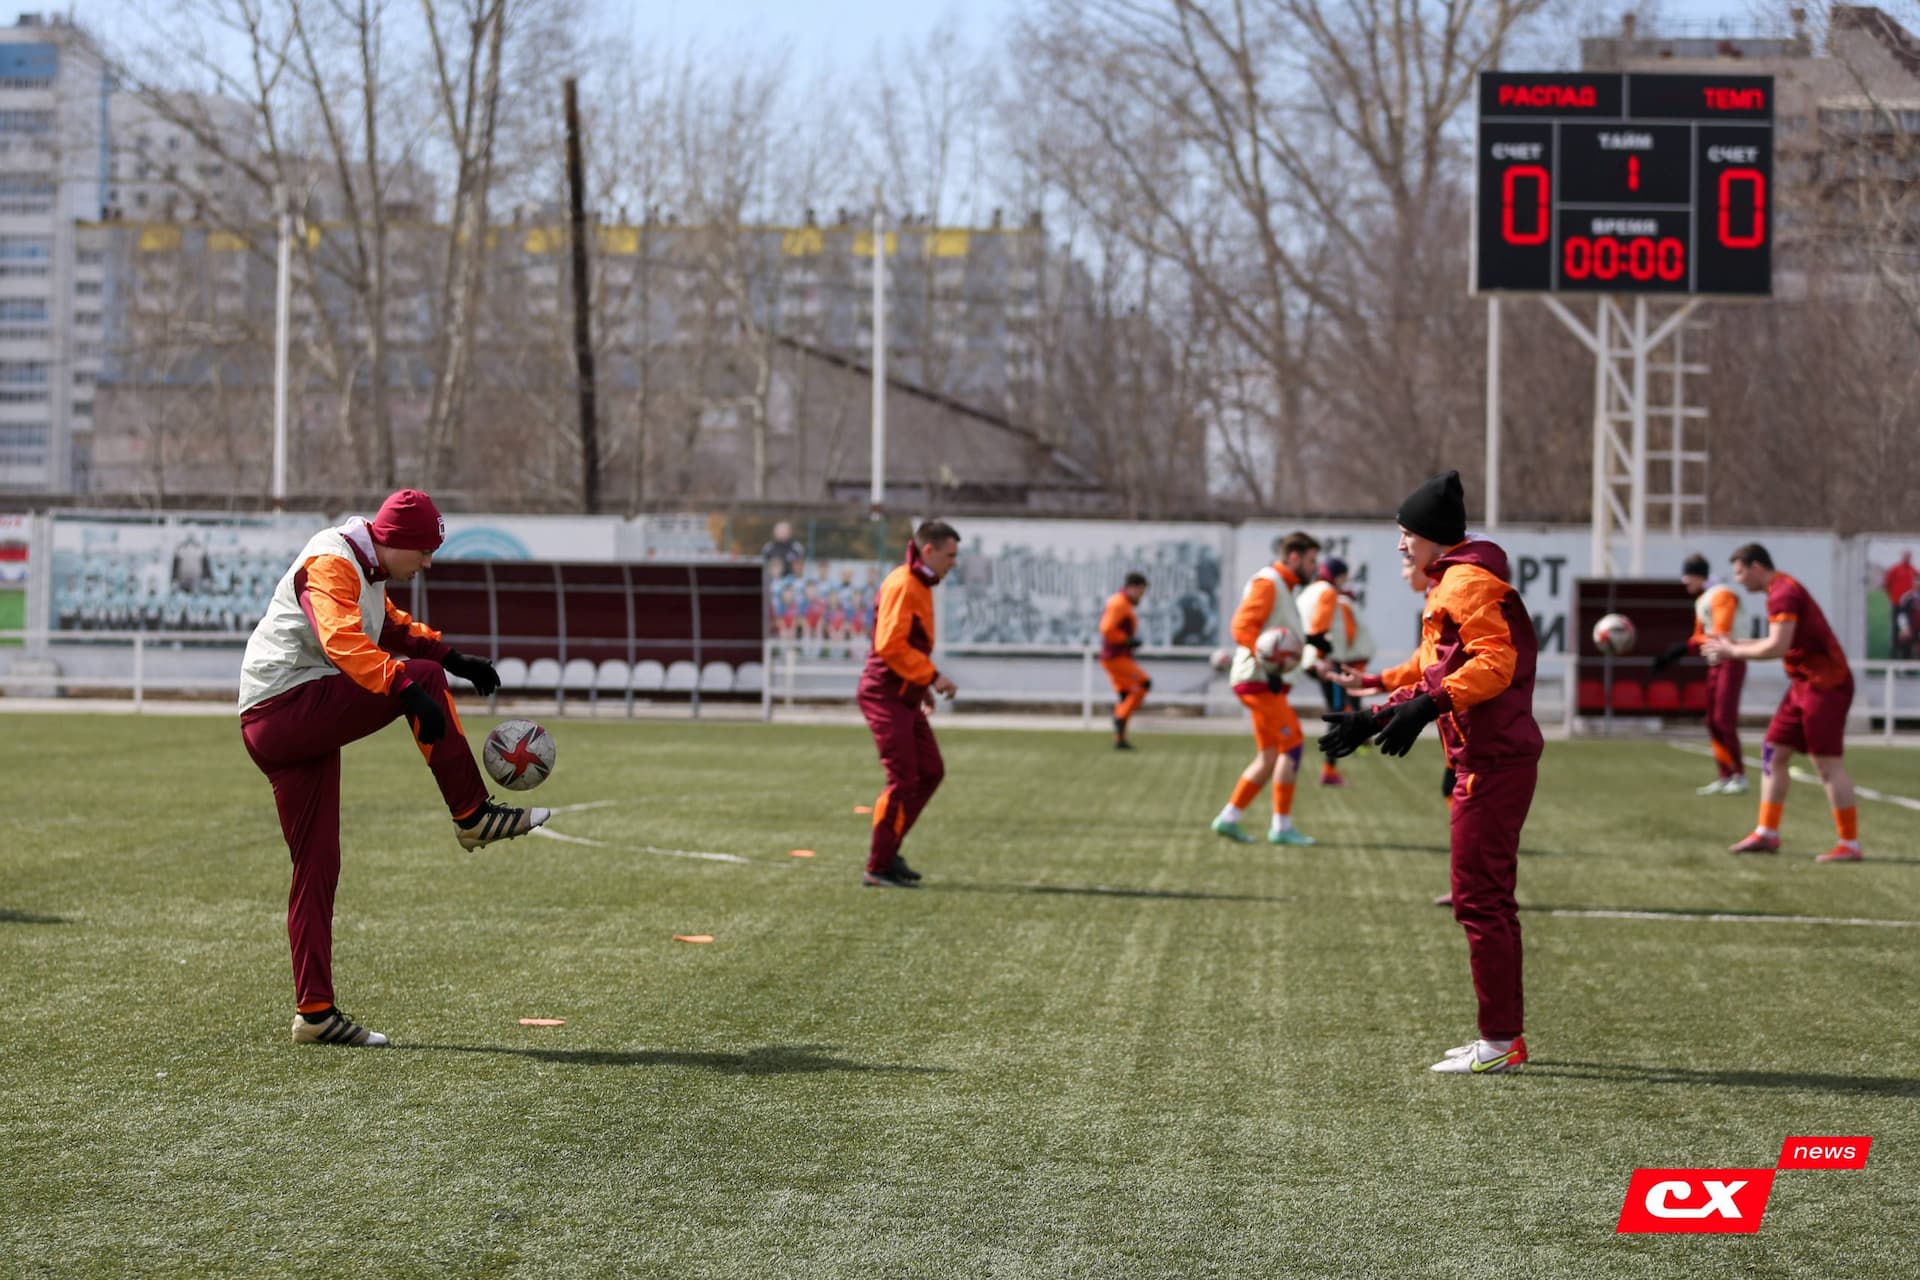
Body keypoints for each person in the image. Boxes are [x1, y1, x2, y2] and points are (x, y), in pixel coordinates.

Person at [239, 489, 548, 1048]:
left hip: (284, 716)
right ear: (396, 540)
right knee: (421, 681)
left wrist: (450, 655)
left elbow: (388, 624)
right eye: (424, 552)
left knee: (317, 867)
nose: (427, 563)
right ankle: (472, 814)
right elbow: (343, 640)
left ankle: (314, 1013)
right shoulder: (331, 563)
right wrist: (411, 683)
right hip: (283, 712)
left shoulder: (366, 564)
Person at [1320, 471, 1542, 1074]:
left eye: (1405, 532)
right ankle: (1502, 1037)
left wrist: (1424, 705)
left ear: (1433, 536)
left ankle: (1501, 1043)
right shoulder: (1455, 579)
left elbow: (1495, 664)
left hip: (1493, 758)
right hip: (1486, 754)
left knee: (1480, 901)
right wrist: (1375, 705)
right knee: (1481, 899)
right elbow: (1434, 665)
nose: (1399, 544)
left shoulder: (1465, 582)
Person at [1706, 544, 1862, 863]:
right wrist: (1733, 643)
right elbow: (1777, 644)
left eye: (1739, 572)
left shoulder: (1783, 593)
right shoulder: (1778, 590)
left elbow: (1776, 646)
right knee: (1773, 752)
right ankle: (1767, 832)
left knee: (1827, 764)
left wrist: (1732, 651)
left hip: (1826, 684)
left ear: (1756, 567)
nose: (1738, 580)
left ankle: (1849, 843)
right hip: (1803, 684)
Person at [858, 519, 960, 888]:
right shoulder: (904, 583)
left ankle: (890, 848)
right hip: (885, 694)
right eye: (950, 555)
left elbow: (908, 646)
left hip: (904, 695)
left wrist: (922, 685)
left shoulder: (919, 583)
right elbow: (890, 645)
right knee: (902, 779)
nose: (954, 563)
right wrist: (933, 676)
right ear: (928, 550)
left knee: (930, 771)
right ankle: (878, 864)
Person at [1211, 531, 1322, 846]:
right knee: (1294, 744)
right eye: (1311, 560)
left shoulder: (1282, 586)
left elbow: (1280, 636)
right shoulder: (1269, 582)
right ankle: (1281, 827)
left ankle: (1228, 818)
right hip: (1259, 681)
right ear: (1294, 557)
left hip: (1264, 681)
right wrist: (1268, 662)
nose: (1315, 568)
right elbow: (1241, 627)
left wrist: (1310, 649)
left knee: (1270, 755)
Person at [1651, 553, 1748, 795]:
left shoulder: (1722, 594)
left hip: (1731, 660)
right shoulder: (1703, 599)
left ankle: (1740, 775)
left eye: (1687, 577)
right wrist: (1675, 653)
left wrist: (1688, 646)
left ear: (1697, 575)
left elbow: (1720, 632)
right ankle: (1725, 775)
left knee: (1724, 720)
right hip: (1715, 663)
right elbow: (1699, 637)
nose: (1685, 583)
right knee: (1712, 721)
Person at [1297, 557, 1373, 786]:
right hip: (1328, 660)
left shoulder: (1307, 593)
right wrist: (1324, 657)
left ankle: (1351, 747)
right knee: (1337, 712)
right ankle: (1329, 769)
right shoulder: (1329, 593)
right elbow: (1322, 626)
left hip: (1311, 658)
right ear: (1337, 576)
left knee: (1339, 709)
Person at [1099, 572, 1152, 750]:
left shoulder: (1123, 603)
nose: (1141, 597)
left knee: (1126, 695)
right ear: (1133, 588)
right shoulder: (1119, 603)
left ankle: (1120, 739)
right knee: (1143, 683)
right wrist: (1127, 640)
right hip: (1115, 657)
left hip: (1119, 656)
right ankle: (1120, 716)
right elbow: (1107, 629)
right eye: (1141, 592)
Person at [1886, 551, 1916, 659]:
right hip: (1897, 604)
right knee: (1896, 630)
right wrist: (1892, 597)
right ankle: (1893, 656)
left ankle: (1907, 658)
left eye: (1909, 556)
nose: (1907, 558)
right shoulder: (1895, 569)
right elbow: (1887, 584)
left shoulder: (1913, 570)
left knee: (1910, 632)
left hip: (1910, 606)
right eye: (1906, 556)